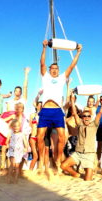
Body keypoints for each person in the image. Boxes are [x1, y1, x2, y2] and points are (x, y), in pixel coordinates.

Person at [37, 39, 82, 179]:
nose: (54, 70)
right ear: (50, 70)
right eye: (53, 69)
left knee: (62, 137)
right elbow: (42, 63)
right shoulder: (45, 77)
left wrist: (78, 52)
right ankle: (41, 163)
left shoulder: (62, 77)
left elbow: (73, 65)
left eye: (56, 69)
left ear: (58, 70)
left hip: (57, 111)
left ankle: (57, 158)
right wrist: (44, 48)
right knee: (39, 137)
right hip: (45, 111)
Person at [61, 92, 102, 181]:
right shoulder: (79, 124)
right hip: (78, 153)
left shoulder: (94, 124)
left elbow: (101, 111)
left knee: (87, 180)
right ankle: (76, 174)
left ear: (90, 117)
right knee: (63, 166)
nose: (86, 117)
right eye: (84, 116)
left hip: (89, 155)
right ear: (82, 117)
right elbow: (74, 112)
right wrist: (72, 99)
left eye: (88, 116)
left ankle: (89, 170)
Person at [6, 119, 29, 183]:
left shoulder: (22, 134)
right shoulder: (10, 133)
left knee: (17, 166)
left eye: (18, 126)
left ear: (20, 126)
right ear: (12, 127)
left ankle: (15, 179)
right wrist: (7, 144)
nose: (16, 128)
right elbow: (7, 141)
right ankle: (9, 178)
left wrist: (26, 148)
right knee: (12, 164)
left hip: (19, 151)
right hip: (12, 150)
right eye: (14, 126)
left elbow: (25, 142)